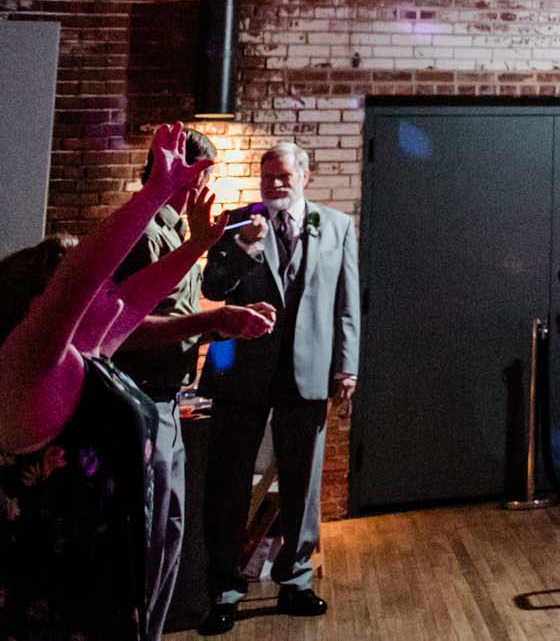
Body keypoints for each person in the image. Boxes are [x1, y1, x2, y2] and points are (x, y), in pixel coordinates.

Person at [0, 122, 222, 639]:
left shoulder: (88, 351)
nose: (106, 286)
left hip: (106, 591)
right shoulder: (31, 367)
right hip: (55, 605)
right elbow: (82, 277)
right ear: (42, 304)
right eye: (83, 285)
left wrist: (198, 244)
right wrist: (154, 193)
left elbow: (136, 298)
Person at [113, 129, 276, 641]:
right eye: (205, 176)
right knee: (149, 545)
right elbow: (125, 328)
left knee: (169, 538)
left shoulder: (178, 231)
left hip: (168, 401)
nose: (210, 186)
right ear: (187, 175)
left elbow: (182, 309)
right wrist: (214, 320)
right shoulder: (144, 236)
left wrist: (230, 316)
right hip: (143, 403)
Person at [197, 142, 360, 635]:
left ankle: (296, 579)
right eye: (268, 176)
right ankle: (224, 589)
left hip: (306, 372)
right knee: (227, 484)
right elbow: (213, 289)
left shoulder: (337, 226)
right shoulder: (237, 220)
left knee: (303, 483)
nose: (275, 184)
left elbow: (347, 303)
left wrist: (346, 367)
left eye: (285, 176)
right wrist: (245, 247)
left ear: (305, 177)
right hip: (241, 372)